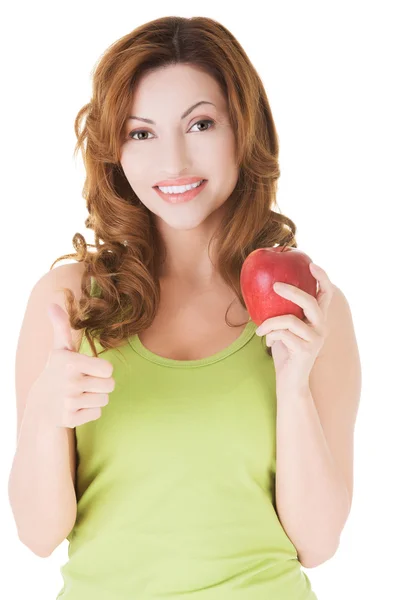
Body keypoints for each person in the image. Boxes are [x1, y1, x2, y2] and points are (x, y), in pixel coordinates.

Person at [12, 15, 331, 600]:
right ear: (115, 151)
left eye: (201, 123)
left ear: (244, 132)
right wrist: (42, 412)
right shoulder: (69, 301)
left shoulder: (300, 303)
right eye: (141, 133)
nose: (175, 160)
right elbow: (37, 535)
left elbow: (318, 542)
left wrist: (295, 386)